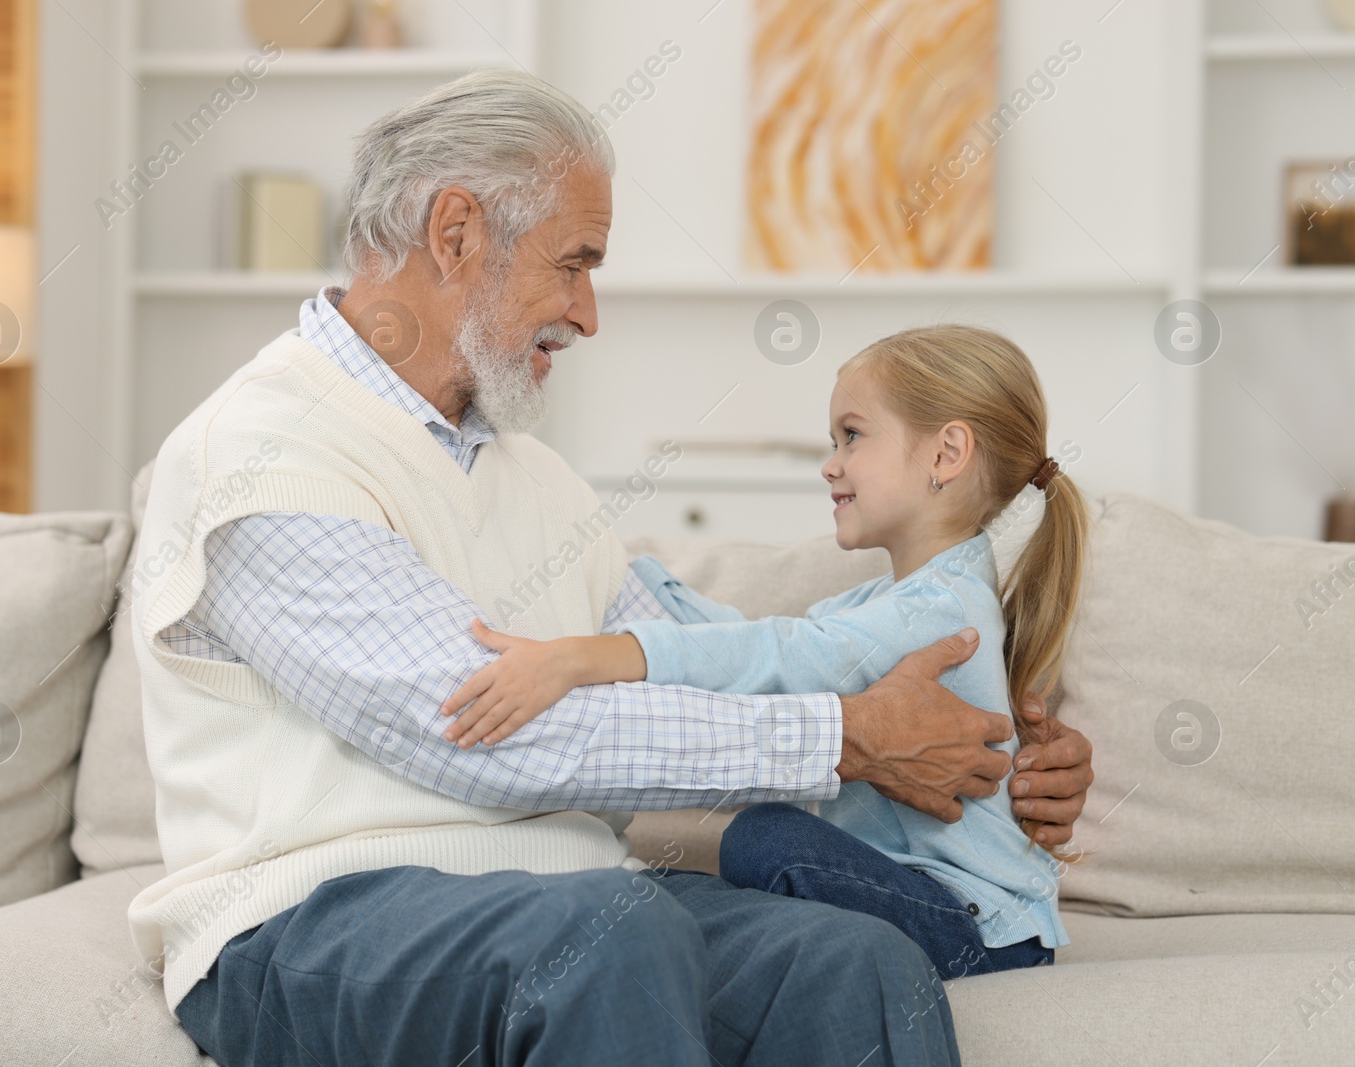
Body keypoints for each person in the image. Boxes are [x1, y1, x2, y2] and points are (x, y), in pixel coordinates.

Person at [127, 67, 1095, 1067]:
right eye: (573, 264)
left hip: (576, 896)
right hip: (309, 923)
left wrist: (983, 742)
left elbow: (684, 664)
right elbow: (476, 735)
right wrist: (850, 736)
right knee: (613, 937)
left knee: (855, 960)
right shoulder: (266, 451)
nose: (588, 314)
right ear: (455, 232)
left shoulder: (536, 479)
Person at [442, 324, 1085, 979]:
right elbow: (758, 632)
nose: (830, 462)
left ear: (946, 453)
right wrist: (630, 578)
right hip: (947, 908)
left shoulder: (937, 612)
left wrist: (585, 657)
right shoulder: (897, 600)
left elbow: (779, 653)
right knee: (726, 875)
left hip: (976, 930)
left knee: (766, 836)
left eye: (853, 435)